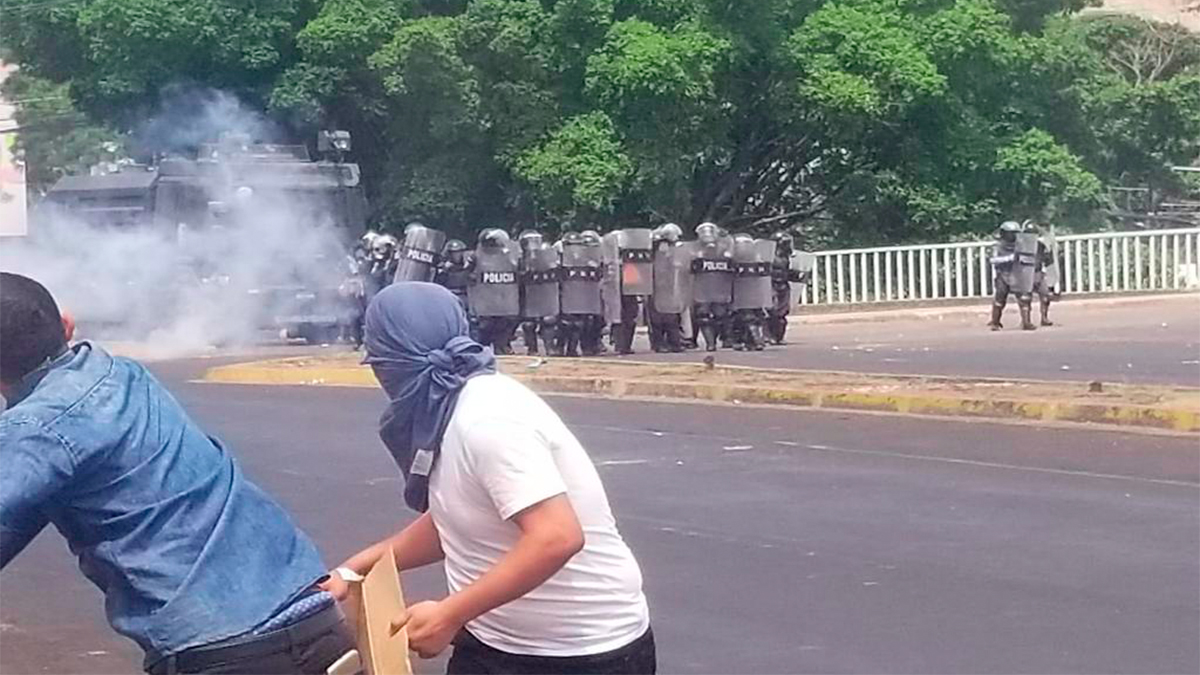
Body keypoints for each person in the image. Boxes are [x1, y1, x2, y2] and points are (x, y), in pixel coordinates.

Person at [0, 273, 351, 674]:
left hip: (227, 652)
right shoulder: (120, 373)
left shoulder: (36, 431)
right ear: (67, 325)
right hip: (316, 617)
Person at [323, 282, 655, 675]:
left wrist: (449, 614)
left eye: (379, 361)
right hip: (497, 642)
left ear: (393, 362)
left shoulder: (485, 418)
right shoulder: (446, 407)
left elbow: (557, 536)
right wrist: (356, 567)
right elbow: (460, 514)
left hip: (576, 654)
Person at [988, 221, 1037, 331]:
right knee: (999, 299)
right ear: (1003, 233)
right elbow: (993, 260)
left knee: (1025, 299)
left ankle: (1026, 322)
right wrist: (1010, 258)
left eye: (1015, 233)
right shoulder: (998, 246)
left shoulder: (1022, 245)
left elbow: (1029, 258)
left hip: (1018, 274)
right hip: (1003, 274)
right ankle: (995, 322)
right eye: (1010, 233)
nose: (1013, 236)